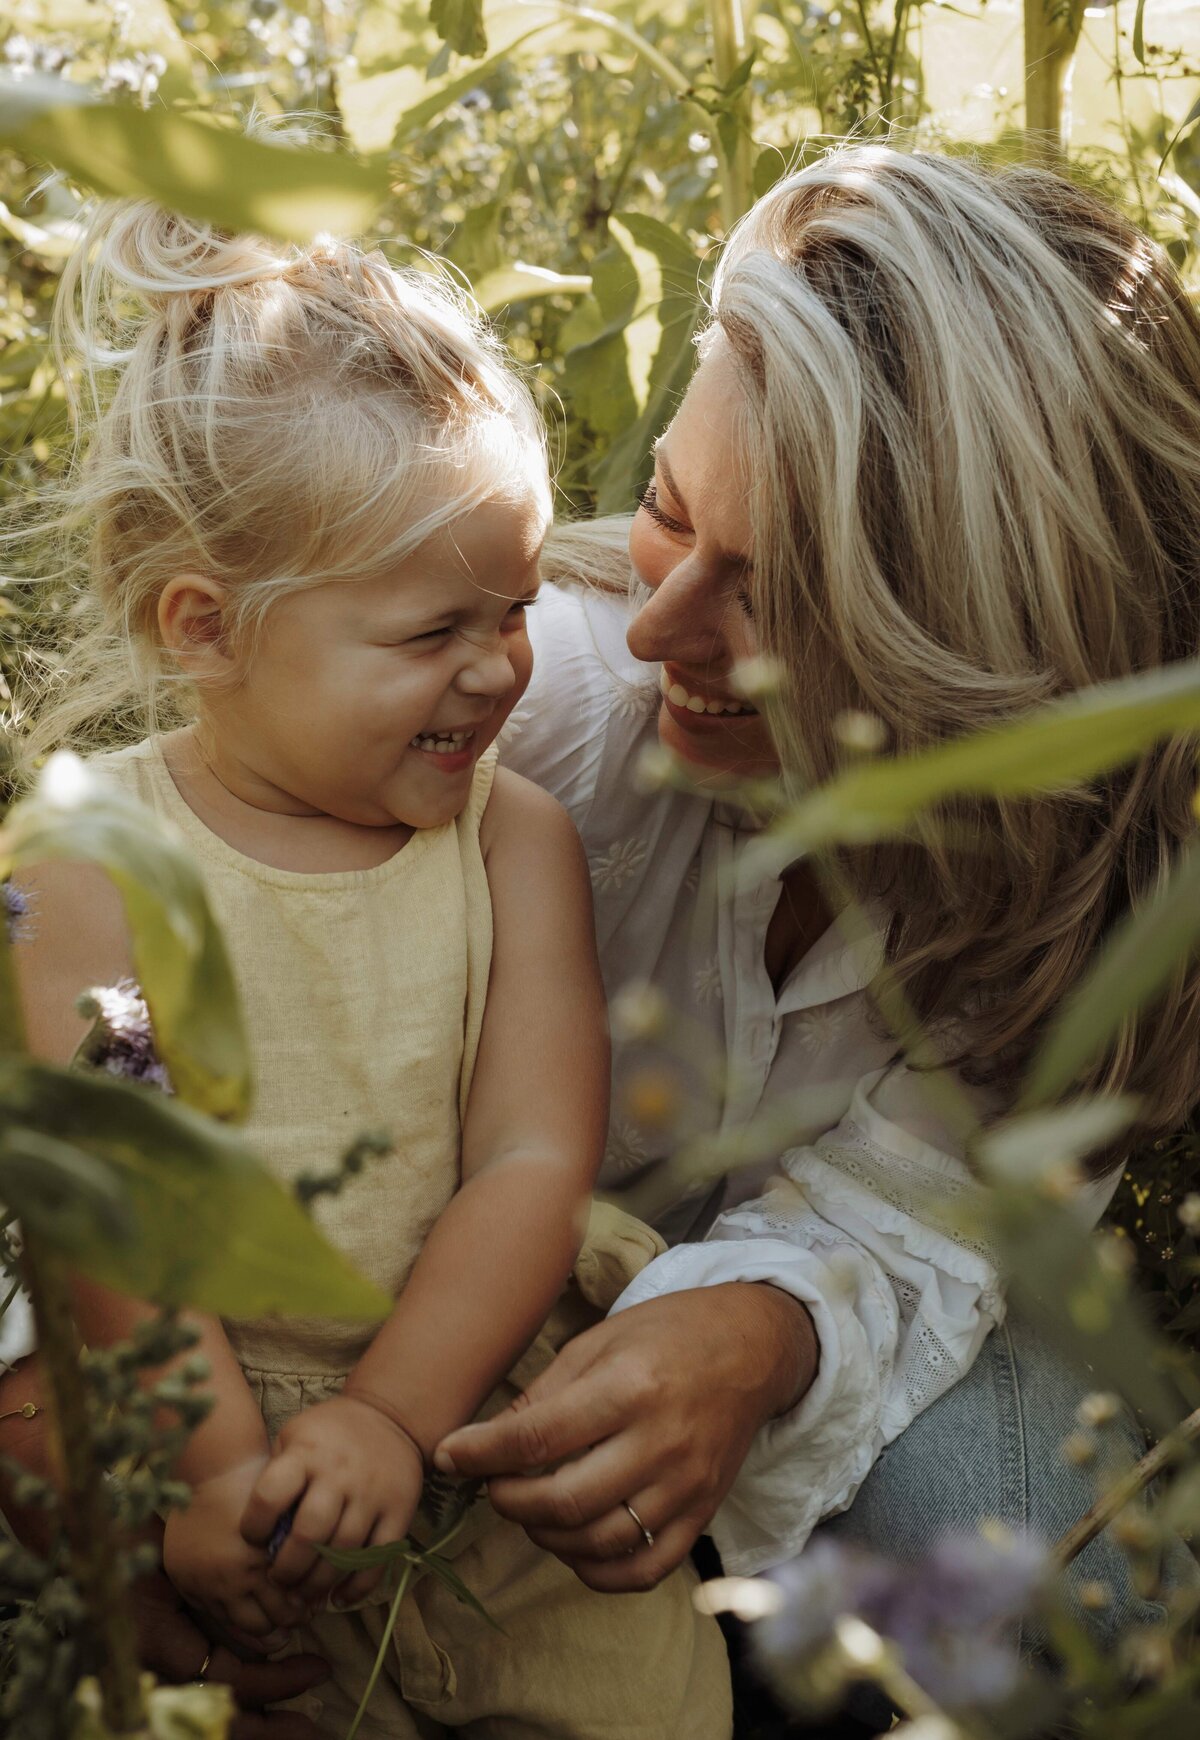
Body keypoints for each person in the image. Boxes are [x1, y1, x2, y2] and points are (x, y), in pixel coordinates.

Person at [435, 147, 1200, 1643]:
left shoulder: (1096, 883)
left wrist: (759, 1327)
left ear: (987, 648)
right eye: (666, 507)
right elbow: (160, 989)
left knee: (1074, 1596)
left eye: (781, 595)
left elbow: (930, 1215)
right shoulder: (533, 728)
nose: (661, 625)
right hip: (433, 1327)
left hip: (836, 1339)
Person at [9, 204, 730, 1737]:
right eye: (429, 631)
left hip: (481, 1414)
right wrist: (212, 1479)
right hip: (219, 1445)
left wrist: (394, 1416)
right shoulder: (86, 864)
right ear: (204, 629)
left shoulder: (507, 842)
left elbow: (533, 1156)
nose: (498, 668)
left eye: (521, 607)